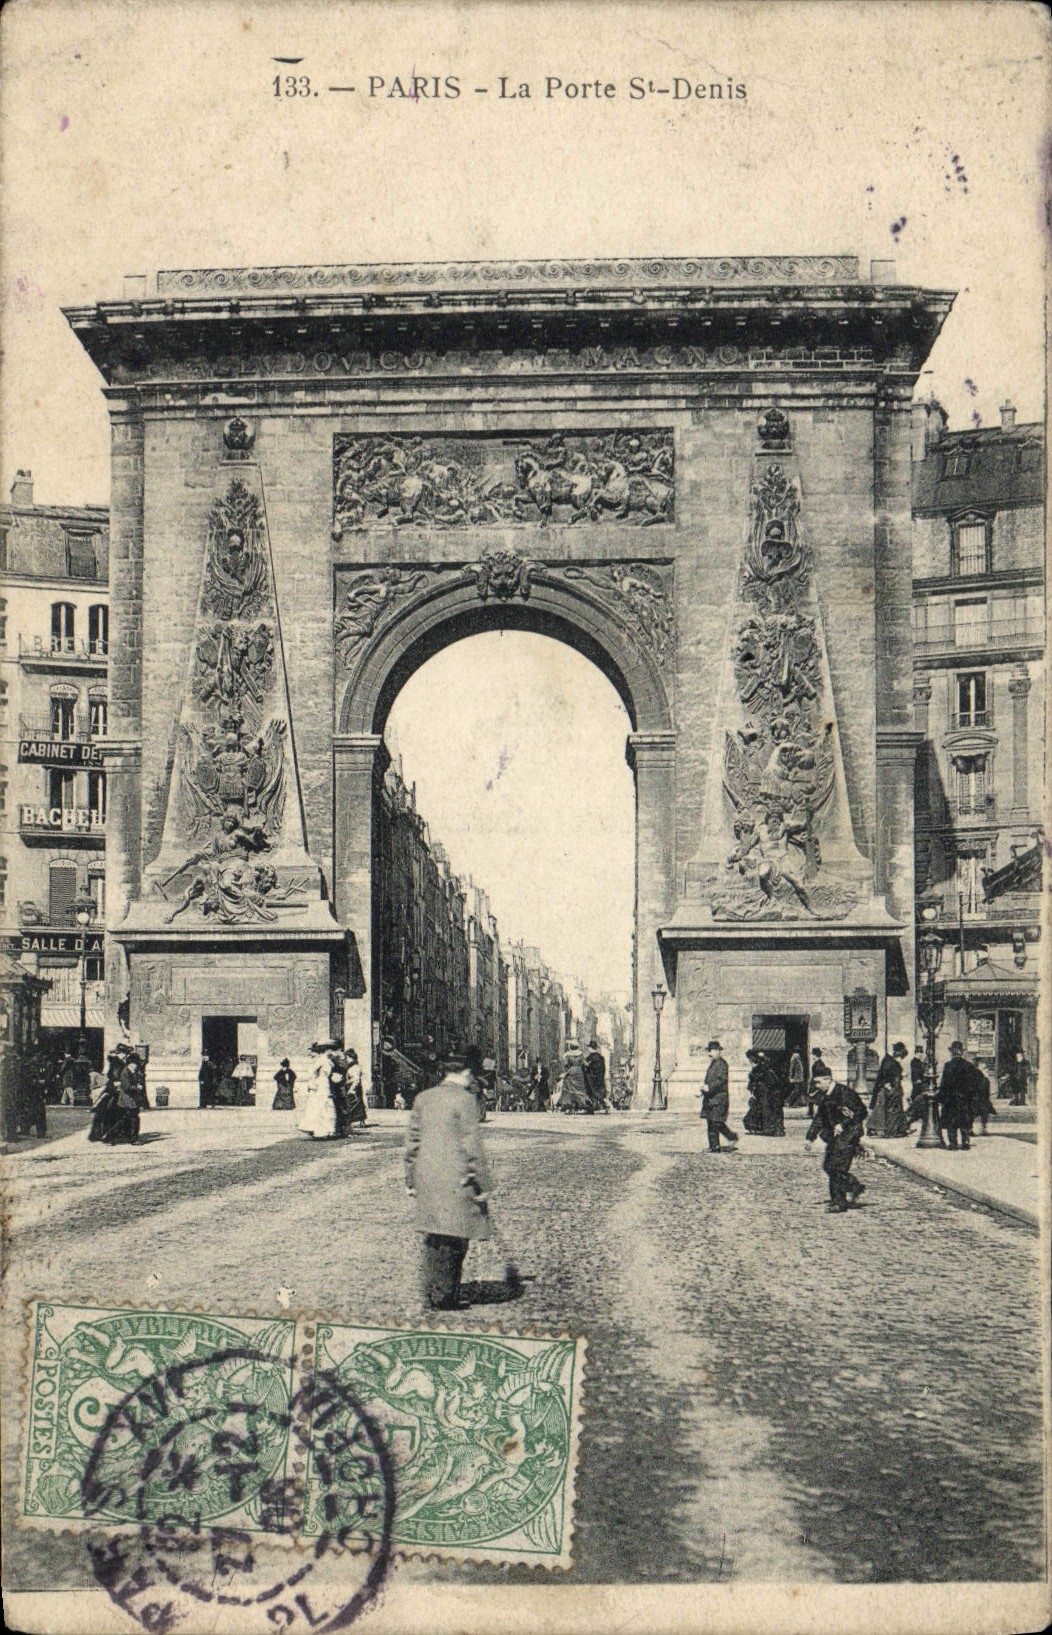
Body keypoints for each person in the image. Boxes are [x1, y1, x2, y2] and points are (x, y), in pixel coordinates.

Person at [404, 1044, 494, 1310]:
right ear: (466, 1073)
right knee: (455, 1239)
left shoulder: (424, 1098)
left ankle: (432, 1291)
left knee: (434, 1237)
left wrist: (410, 1179)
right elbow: (472, 1145)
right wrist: (483, 1183)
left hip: (427, 1175)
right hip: (456, 1179)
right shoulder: (465, 1101)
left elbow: (412, 1143)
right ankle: (445, 1296)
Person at [805, 1064, 868, 1212]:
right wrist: (810, 1138)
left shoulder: (845, 1093)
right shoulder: (825, 1096)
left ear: (828, 1079)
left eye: (818, 1082)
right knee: (828, 1166)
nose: (817, 1085)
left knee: (837, 1167)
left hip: (849, 1135)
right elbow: (819, 1118)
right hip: (834, 1137)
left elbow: (861, 1112)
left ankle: (839, 1202)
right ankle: (853, 1185)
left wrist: (843, 1123)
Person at [936, 1041, 980, 1151]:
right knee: (964, 1121)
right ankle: (965, 1143)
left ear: (952, 1052)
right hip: (964, 1099)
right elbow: (974, 1084)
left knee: (952, 1122)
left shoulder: (948, 1066)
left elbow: (944, 1084)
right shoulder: (968, 1066)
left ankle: (953, 1144)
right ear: (961, 1052)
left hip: (951, 1099)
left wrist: (941, 1097)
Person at [699, 1040, 738, 1153]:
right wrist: (702, 1090)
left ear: (717, 1051)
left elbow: (721, 1080)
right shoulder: (713, 1064)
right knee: (710, 1122)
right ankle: (714, 1146)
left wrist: (709, 1087)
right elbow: (709, 1080)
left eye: (711, 1051)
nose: (709, 1054)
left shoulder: (722, 1064)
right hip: (710, 1098)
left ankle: (731, 1136)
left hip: (719, 1098)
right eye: (709, 1051)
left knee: (717, 1122)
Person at [867, 1042, 911, 1138]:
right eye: (901, 1057)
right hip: (889, 1089)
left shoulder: (890, 1060)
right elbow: (886, 1075)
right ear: (897, 1053)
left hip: (892, 1089)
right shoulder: (889, 1061)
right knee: (888, 1110)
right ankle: (891, 1131)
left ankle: (901, 1129)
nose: (901, 1060)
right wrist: (889, 1083)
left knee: (893, 1109)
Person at [298, 1043, 338, 1140]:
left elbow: (313, 1071)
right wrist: (313, 1083)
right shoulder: (322, 1060)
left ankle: (327, 1131)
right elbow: (312, 1071)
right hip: (322, 1084)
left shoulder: (323, 1060)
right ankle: (322, 1131)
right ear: (325, 1051)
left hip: (323, 1083)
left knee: (324, 1107)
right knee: (322, 1107)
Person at [555, 1045, 589, 1113]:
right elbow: (586, 1064)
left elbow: (566, 1065)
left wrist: (567, 1071)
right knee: (580, 1088)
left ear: (570, 1047)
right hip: (579, 1071)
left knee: (570, 1088)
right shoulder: (581, 1054)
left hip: (571, 1071)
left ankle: (570, 1105)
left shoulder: (568, 1055)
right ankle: (582, 1104)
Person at [582, 1040, 609, 1113]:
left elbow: (586, 1067)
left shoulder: (590, 1058)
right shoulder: (601, 1058)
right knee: (599, 1093)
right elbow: (603, 1069)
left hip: (591, 1079)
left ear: (590, 1048)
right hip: (600, 1079)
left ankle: (593, 1106)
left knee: (592, 1092)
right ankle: (601, 1106)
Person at [344, 1047, 367, 1128]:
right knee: (357, 1105)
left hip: (354, 1088)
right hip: (354, 1087)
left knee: (352, 1105)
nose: (346, 1059)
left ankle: (351, 1121)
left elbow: (356, 1079)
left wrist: (351, 1089)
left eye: (347, 1058)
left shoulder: (355, 1067)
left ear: (352, 1058)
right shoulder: (352, 1067)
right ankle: (361, 1122)